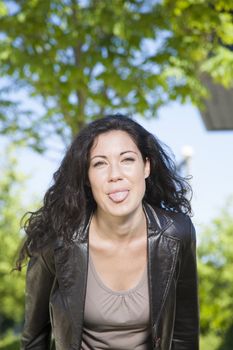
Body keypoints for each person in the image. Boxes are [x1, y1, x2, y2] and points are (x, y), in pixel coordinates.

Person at [18, 114, 199, 350]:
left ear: (146, 166)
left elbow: (184, 336)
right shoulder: (57, 240)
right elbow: (33, 339)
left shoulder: (177, 234)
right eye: (100, 163)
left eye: (127, 160)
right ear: (86, 176)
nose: (115, 174)